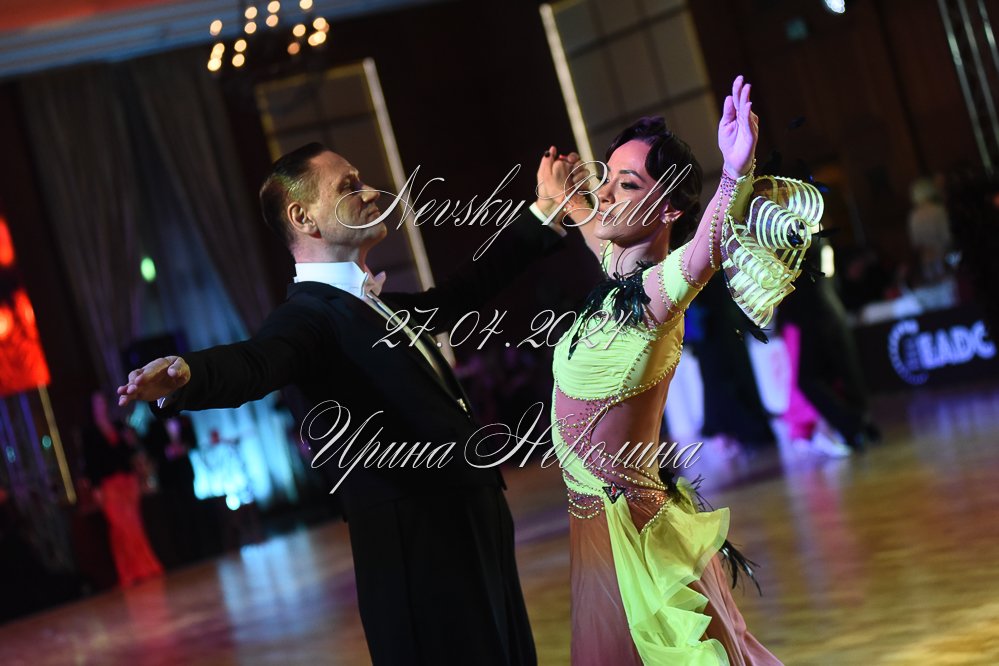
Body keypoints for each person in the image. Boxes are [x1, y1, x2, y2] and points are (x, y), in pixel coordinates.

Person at [118, 143, 568, 665]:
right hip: (418, 548)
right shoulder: (307, 319)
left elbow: (465, 291)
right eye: (349, 186)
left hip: (469, 524)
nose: (372, 193)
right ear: (303, 217)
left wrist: (544, 212)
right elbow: (257, 361)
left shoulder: (376, 306)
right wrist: (188, 375)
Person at [536, 76, 807, 664]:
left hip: (631, 536)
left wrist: (734, 171)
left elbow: (707, 247)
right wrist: (566, 197)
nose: (606, 194)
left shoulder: (659, 293)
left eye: (627, 183)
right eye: (606, 177)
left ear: (669, 208)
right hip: (598, 529)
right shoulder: (620, 277)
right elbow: (597, 227)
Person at [82, 392, 164, 587]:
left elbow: (130, 453)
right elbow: (91, 462)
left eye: (103, 402)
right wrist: (96, 487)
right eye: (97, 403)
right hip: (109, 485)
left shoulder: (118, 426)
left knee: (135, 525)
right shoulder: (89, 433)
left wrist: (129, 441)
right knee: (120, 529)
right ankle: (128, 571)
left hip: (127, 482)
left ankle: (145, 567)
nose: (101, 406)